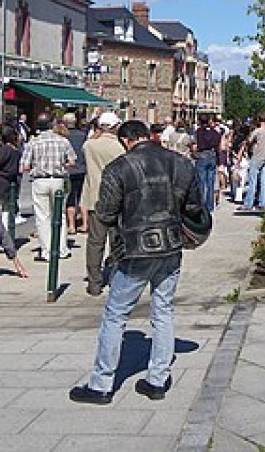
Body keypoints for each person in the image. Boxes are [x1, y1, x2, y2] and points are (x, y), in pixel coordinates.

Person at [70, 119, 202, 405]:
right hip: (170, 246)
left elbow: (104, 213)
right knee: (163, 310)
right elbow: (193, 207)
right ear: (148, 136)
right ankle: (157, 379)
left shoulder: (119, 167)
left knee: (116, 315)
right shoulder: (181, 163)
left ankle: (102, 384)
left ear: (126, 140)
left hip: (134, 249)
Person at [80, 111, 126, 296]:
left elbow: (87, 145)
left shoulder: (89, 145)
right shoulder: (119, 148)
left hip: (94, 198)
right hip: (116, 198)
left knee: (95, 243)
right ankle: (116, 278)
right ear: (116, 127)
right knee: (117, 241)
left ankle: (94, 283)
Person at [20, 114, 76, 261]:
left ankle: (47, 251)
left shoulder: (33, 142)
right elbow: (72, 161)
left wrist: (35, 167)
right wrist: (61, 165)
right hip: (59, 179)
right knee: (60, 215)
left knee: (42, 217)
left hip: (40, 180)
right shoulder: (63, 141)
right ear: (52, 124)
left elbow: (24, 166)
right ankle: (62, 249)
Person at [63, 112, 89, 236]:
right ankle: (85, 224)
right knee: (82, 197)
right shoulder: (82, 135)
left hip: (69, 170)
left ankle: (72, 226)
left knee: (70, 198)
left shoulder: (64, 137)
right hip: (82, 169)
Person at [240, 115, 265, 211]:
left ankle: (248, 204)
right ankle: (262, 202)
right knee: (263, 181)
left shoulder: (257, 131)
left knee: (252, 180)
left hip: (257, 156)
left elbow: (249, 140)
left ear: (259, 120)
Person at [192, 113, 220, 213]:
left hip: (202, 155)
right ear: (208, 121)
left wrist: (194, 154)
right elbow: (218, 147)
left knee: (201, 182)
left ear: (199, 121)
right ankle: (210, 206)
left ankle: (202, 205)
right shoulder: (215, 132)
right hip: (212, 155)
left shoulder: (198, 132)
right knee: (210, 183)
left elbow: (194, 146)